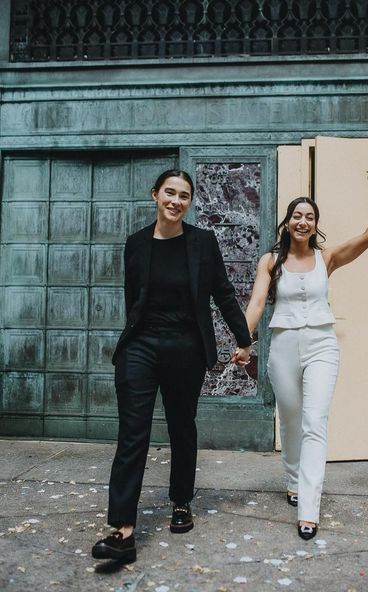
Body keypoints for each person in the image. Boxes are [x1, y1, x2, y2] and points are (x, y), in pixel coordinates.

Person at [92, 169, 251, 563]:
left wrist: (243, 338)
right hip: (141, 347)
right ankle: (122, 531)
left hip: (186, 349)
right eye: (169, 193)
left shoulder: (203, 243)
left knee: (182, 426)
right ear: (155, 195)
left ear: (190, 202)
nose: (176, 201)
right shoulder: (136, 244)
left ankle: (181, 501)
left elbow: (223, 293)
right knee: (133, 432)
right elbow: (135, 302)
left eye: (184, 195)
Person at [242, 184, 368, 540]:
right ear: (287, 222)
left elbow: (366, 237)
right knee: (292, 417)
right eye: (297, 216)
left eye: (309, 217)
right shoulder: (270, 261)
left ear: (315, 225)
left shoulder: (326, 258)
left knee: (315, 421)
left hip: (321, 346)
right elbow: (255, 303)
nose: (303, 221)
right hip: (283, 346)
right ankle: (293, 480)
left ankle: (308, 510)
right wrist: (244, 339)